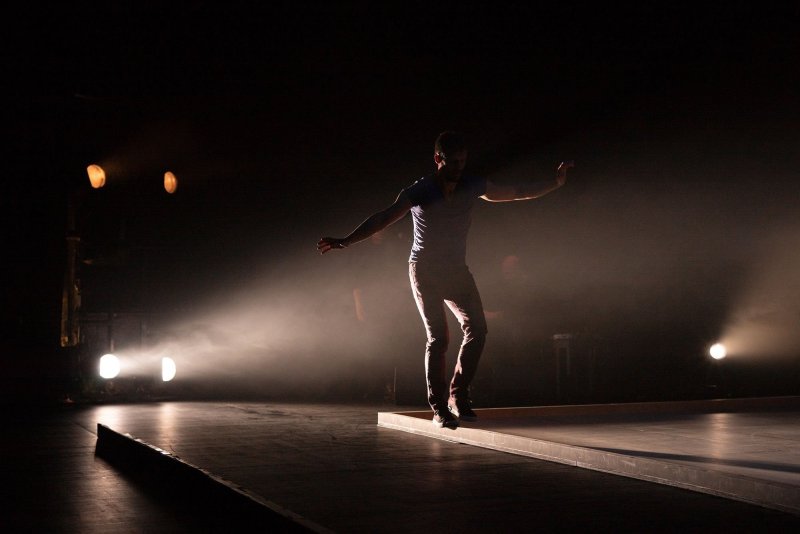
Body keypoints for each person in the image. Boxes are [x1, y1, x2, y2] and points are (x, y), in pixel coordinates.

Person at [318, 131, 572, 429]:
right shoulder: (420, 190)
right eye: (453, 161)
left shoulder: (471, 184)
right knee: (438, 338)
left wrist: (554, 183)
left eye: (463, 161)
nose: (458, 167)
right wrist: (346, 241)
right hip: (424, 270)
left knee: (478, 328)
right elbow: (383, 218)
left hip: (456, 271)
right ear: (438, 159)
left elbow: (515, 191)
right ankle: (438, 406)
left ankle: (457, 395)